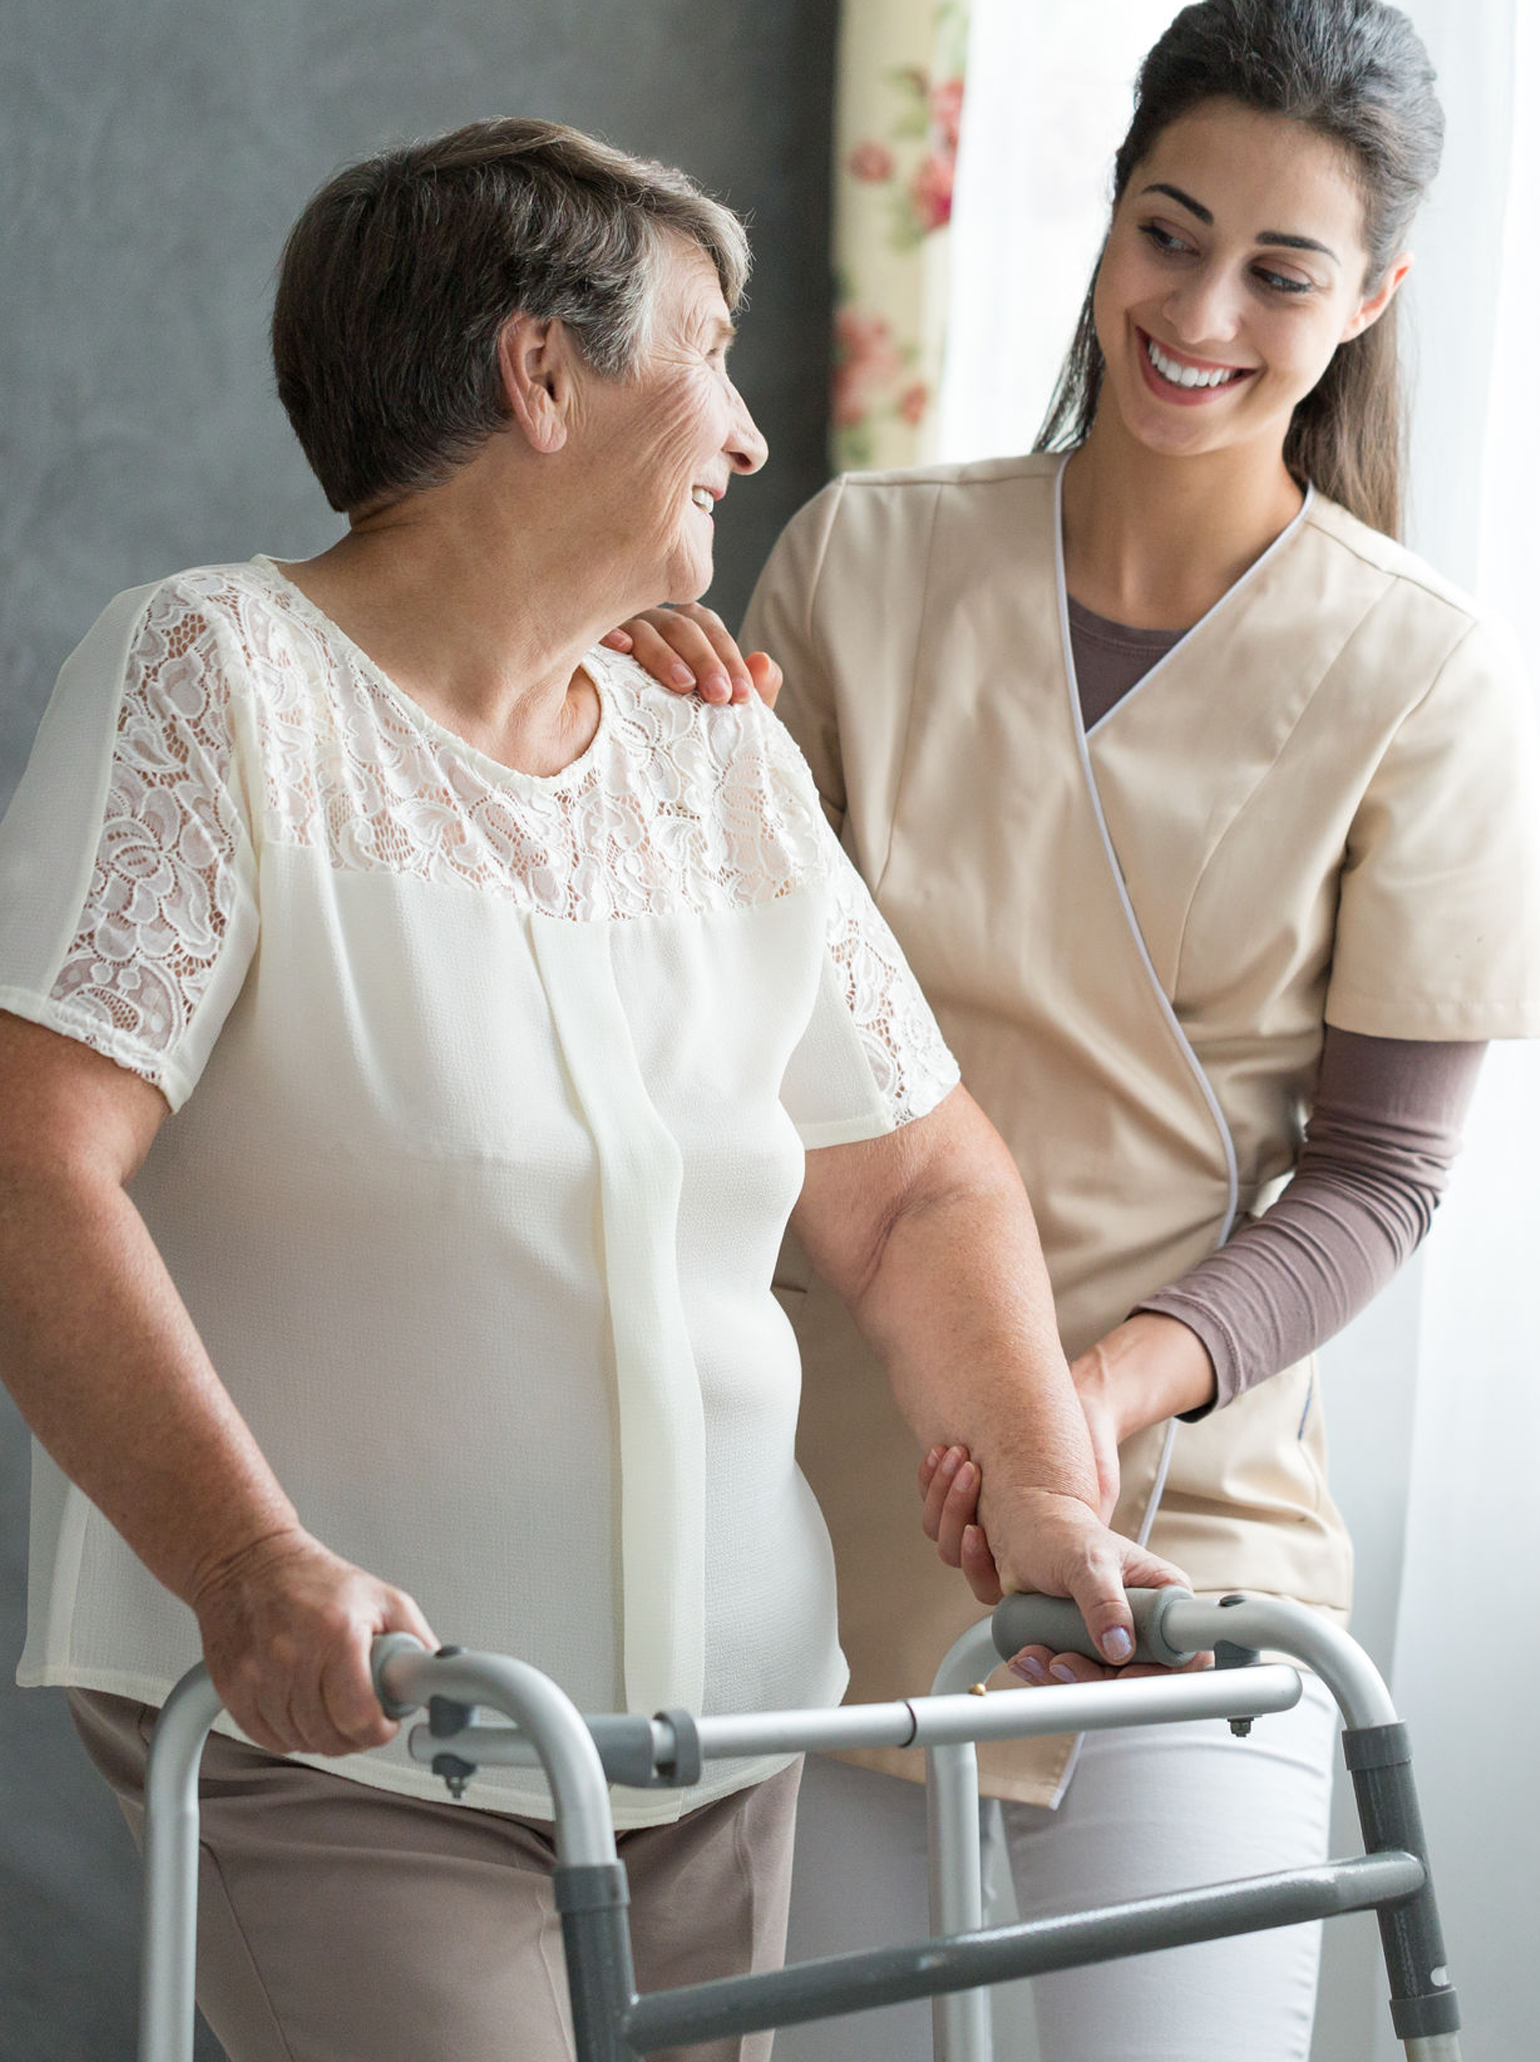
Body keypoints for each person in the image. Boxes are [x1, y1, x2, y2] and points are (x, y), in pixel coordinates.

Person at [0, 119, 1182, 2062]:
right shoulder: (217, 680)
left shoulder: (707, 750)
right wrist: (248, 1560)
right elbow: (35, 1164)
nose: (742, 431)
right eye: (703, 353)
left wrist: (1044, 1487)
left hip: (722, 1740)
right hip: (362, 1737)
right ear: (538, 375)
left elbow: (912, 1190)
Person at [606, 3, 1540, 2056]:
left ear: (1371, 298)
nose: (1197, 310)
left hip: (1178, 1539)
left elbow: (1376, 1175)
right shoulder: (862, 563)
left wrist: (1096, 1396)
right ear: (1107, 222)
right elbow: (696, 1005)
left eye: (1278, 270)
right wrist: (632, 736)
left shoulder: (1423, 677)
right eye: (1164, 231)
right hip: (830, 1527)